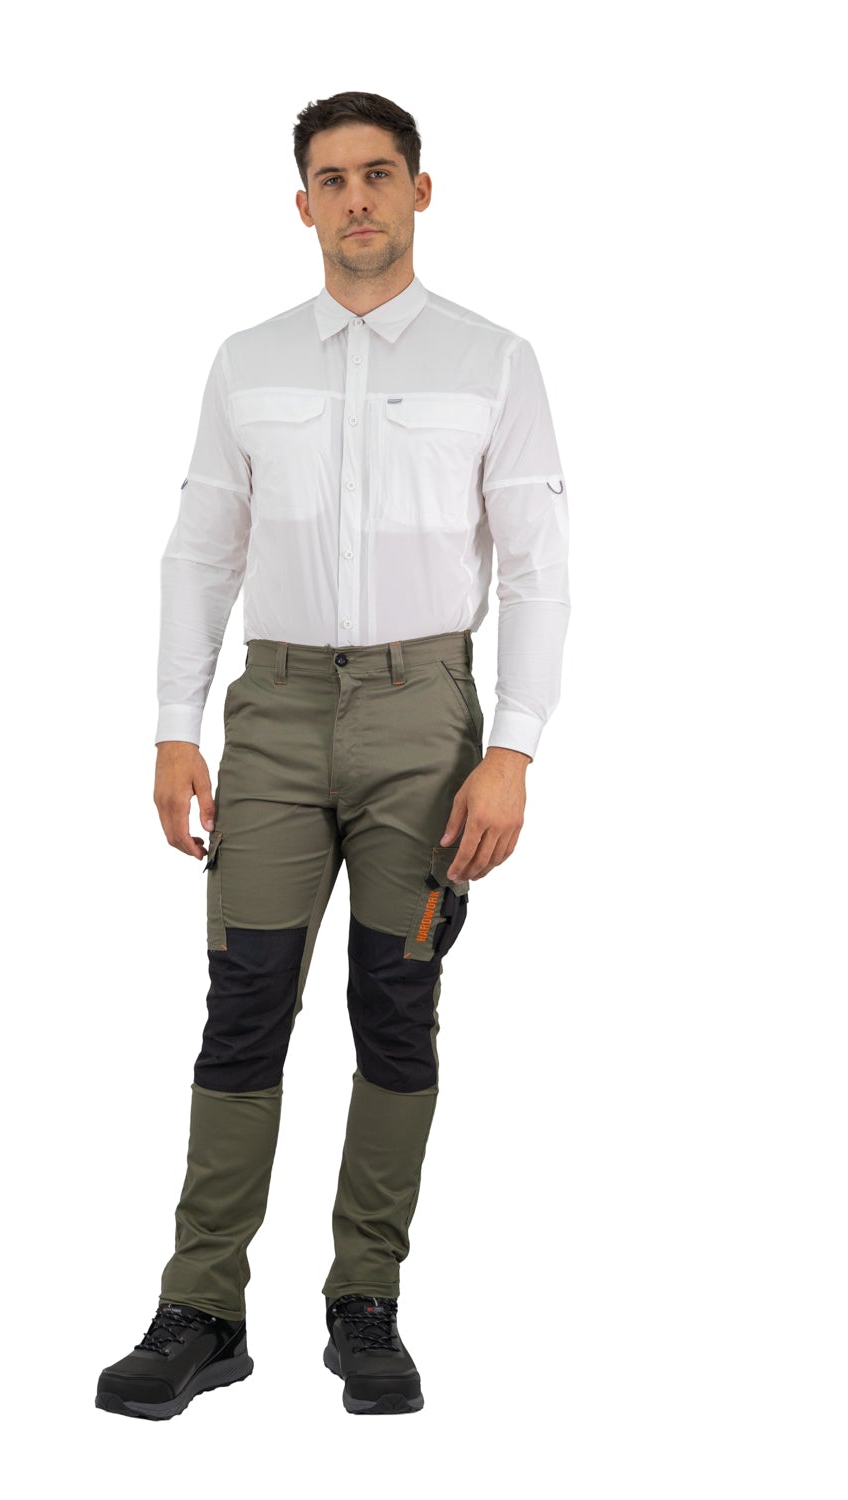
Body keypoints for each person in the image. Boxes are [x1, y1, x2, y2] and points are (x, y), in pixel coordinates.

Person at [96, 90, 570, 1420]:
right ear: (301, 204)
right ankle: (202, 1308)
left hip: (427, 720)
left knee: (395, 1003)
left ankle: (367, 1301)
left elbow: (538, 568)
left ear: (420, 189)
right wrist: (174, 727)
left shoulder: (494, 361)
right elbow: (202, 548)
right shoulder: (248, 362)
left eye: (378, 173)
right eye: (331, 178)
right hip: (278, 717)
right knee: (244, 1001)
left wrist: (514, 751)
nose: (356, 198)